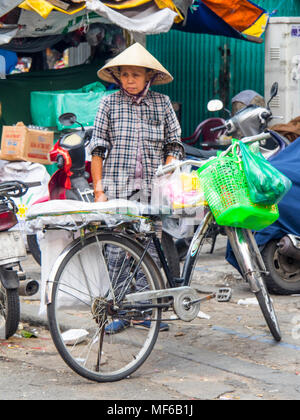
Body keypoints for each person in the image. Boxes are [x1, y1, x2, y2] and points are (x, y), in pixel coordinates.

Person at [89, 42, 184, 333]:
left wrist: (165, 173)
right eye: (125, 75)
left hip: (150, 191)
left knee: (150, 249)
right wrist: (99, 190)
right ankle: (121, 311)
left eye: (136, 75)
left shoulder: (162, 103)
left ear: (149, 77)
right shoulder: (109, 104)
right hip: (117, 187)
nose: (130, 80)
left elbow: (174, 144)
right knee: (116, 251)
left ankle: (146, 312)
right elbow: (97, 149)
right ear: (118, 77)